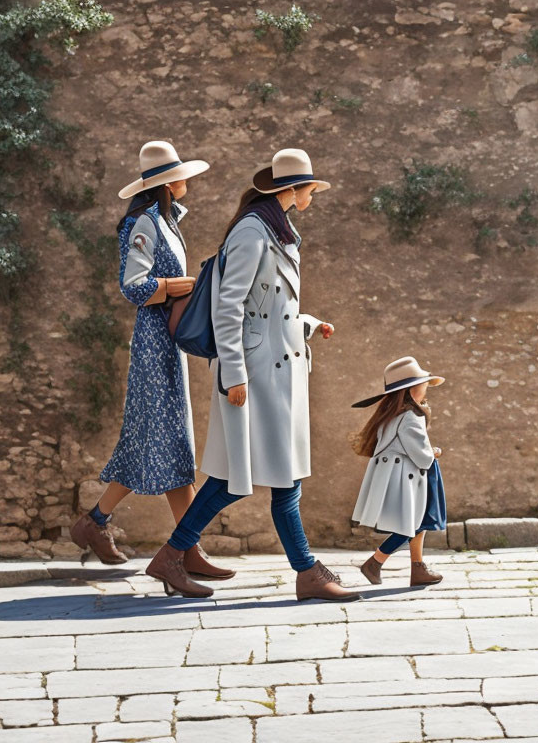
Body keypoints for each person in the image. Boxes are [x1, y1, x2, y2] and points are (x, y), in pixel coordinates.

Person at [145, 148, 356, 602]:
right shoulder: (252, 231)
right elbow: (229, 305)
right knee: (247, 478)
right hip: (255, 374)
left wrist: (307, 324)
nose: (313, 195)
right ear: (290, 190)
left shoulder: (277, 229)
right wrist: (235, 375)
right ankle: (302, 571)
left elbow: (272, 310)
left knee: (277, 477)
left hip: (277, 370)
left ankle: (177, 556)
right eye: (310, 188)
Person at [69, 141, 233, 581]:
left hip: (166, 343)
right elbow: (135, 287)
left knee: (162, 442)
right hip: (153, 344)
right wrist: (189, 285)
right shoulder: (144, 223)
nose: (188, 181)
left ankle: (100, 524)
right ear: (165, 182)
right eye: (182, 175)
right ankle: (182, 550)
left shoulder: (165, 221)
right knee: (169, 442)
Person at [350, 356, 449, 587]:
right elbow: (422, 456)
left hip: (401, 477)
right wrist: (434, 452)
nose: (426, 389)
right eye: (423, 384)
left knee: (419, 522)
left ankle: (418, 568)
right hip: (410, 478)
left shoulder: (392, 416)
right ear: (413, 389)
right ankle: (375, 562)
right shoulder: (411, 417)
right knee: (411, 526)